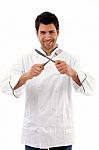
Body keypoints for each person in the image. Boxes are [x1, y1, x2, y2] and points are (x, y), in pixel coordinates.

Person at [0, 11, 95, 150]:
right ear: (37, 33)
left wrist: (72, 72)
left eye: (51, 32)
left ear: (58, 32)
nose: (47, 37)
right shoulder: (26, 59)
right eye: (43, 32)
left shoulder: (71, 59)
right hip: (34, 133)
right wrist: (27, 75)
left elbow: (91, 88)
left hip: (62, 133)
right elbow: (3, 85)